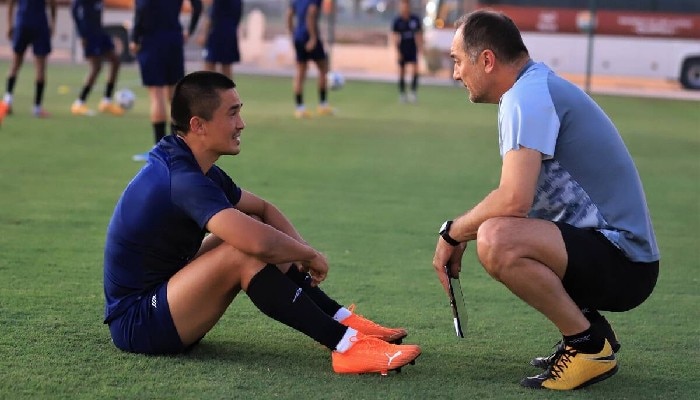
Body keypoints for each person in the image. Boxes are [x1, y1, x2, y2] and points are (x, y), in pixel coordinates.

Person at [103, 70, 421, 374]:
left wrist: (302, 249)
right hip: (140, 322)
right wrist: (308, 256)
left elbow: (264, 210)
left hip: (166, 295)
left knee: (248, 222)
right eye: (232, 114)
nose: (241, 124)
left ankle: (342, 321)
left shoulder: (194, 166)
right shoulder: (182, 179)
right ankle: (347, 347)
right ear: (198, 125)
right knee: (242, 250)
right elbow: (258, 244)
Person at [432, 10, 659, 391]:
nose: (455, 73)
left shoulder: (526, 95)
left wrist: (452, 234)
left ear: (486, 60)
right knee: (500, 230)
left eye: (457, 60)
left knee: (497, 239)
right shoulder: (531, 87)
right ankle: (593, 329)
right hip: (619, 256)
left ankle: (586, 346)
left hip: (626, 262)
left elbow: (514, 199)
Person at [130, 0, 203, 162]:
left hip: (151, 39)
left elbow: (142, 8)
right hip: (173, 39)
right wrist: (189, 30)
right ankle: (177, 148)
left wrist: (134, 37)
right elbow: (197, 5)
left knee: (156, 96)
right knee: (174, 96)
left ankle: (160, 149)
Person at [0, 0, 57, 120]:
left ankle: (7, 101)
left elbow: (10, 3)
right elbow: (52, 3)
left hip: (23, 21)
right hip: (39, 24)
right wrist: (53, 22)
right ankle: (37, 107)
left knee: (15, 64)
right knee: (40, 68)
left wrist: (9, 24)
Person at [70, 0, 125, 117]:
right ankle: (79, 103)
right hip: (89, 34)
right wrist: (82, 34)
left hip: (99, 32)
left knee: (115, 61)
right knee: (96, 67)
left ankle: (107, 101)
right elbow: (74, 10)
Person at [287, 0, 334, 119]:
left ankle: (300, 108)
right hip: (309, 36)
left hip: (298, 36)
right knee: (323, 68)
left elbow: (289, 14)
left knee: (300, 71)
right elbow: (311, 13)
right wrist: (313, 37)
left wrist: (292, 33)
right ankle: (323, 105)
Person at [200, 0, 242, 79]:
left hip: (217, 32)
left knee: (209, 65)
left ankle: (210, 89)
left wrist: (204, 34)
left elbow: (212, 15)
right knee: (226, 66)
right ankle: (227, 89)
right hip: (230, 33)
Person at [391, 0, 423, 103]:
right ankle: (402, 94)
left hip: (413, 48)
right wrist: (398, 52)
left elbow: (418, 35)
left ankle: (413, 93)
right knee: (402, 72)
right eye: (403, 6)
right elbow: (395, 37)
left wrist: (420, 48)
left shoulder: (415, 19)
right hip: (402, 48)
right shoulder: (397, 20)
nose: (405, 8)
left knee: (415, 70)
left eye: (406, 6)